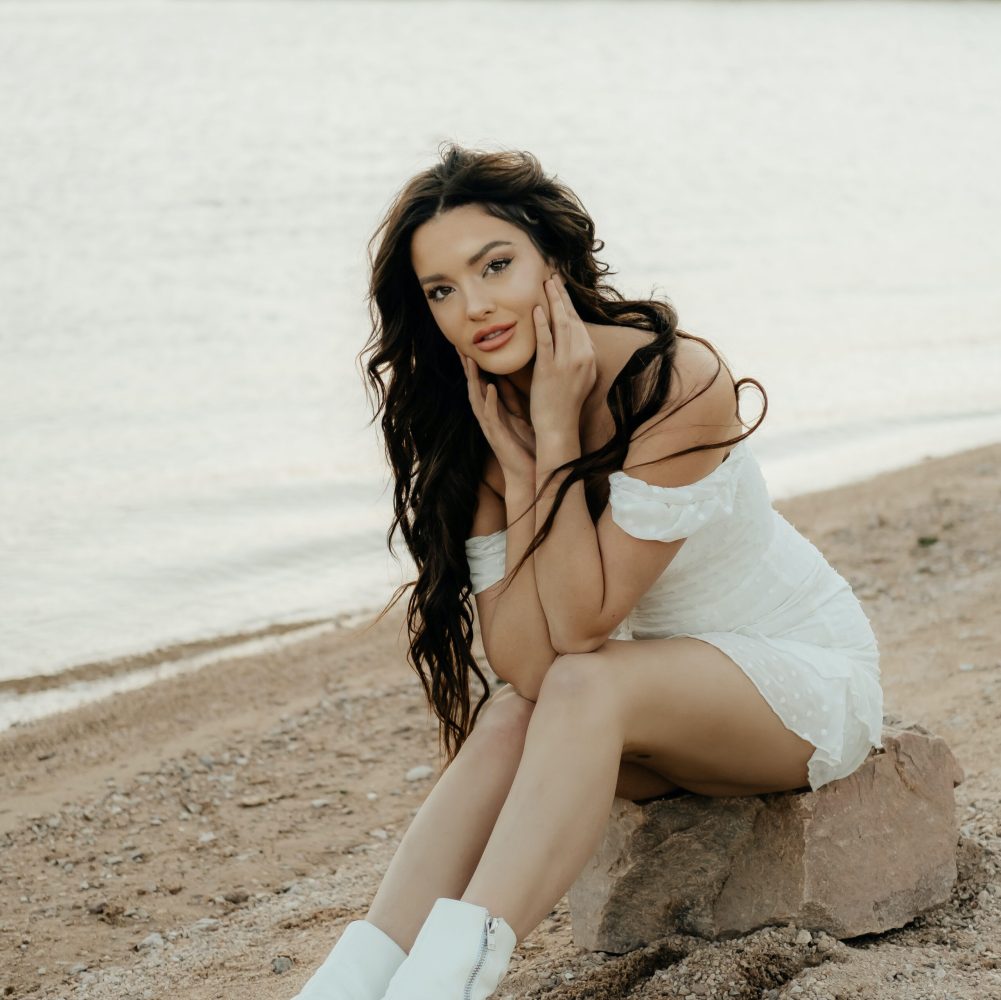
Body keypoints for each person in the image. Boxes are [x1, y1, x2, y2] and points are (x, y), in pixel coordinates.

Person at [290, 144, 884, 1000]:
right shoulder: (487, 416)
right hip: (640, 708)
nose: (476, 307)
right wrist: (523, 462)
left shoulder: (673, 379)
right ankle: (347, 986)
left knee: (580, 686)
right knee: (509, 715)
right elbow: (529, 666)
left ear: (554, 262)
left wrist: (556, 442)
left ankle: (441, 988)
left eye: (496, 266)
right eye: (443, 291)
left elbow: (577, 630)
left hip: (794, 681)